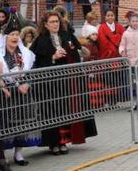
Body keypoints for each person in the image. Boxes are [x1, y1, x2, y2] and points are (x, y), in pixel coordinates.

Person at [31, 11, 97, 155]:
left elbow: (78, 51)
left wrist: (76, 53)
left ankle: (64, 142)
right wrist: (53, 57)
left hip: (67, 82)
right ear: (46, 24)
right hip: (49, 85)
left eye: (57, 21)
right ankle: (53, 143)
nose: (55, 24)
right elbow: (35, 62)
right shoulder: (40, 40)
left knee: (65, 110)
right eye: (52, 22)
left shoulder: (67, 36)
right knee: (52, 112)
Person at [0, 13, 37, 171]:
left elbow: (33, 70)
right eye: (11, 34)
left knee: (22, 123)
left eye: (16, 34)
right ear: (4, 37)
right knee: (2, 126)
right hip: (4, 95)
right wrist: (11, 87)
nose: (14, 37)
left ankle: (18, 153)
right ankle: (0, 158)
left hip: (23, 93)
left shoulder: (25, 53)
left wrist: (27, 83)